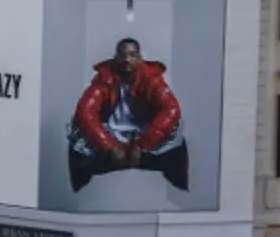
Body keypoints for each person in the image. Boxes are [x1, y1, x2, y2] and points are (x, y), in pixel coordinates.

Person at [66, 37, 189, 192]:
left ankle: (182, 193)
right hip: (110, 134)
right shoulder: (104, 78)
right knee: (76, 133)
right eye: (122, 55)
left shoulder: (151, 78)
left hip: (146, 135)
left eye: (132, 55)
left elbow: (171, 109)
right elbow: (85, 112)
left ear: (139, 58)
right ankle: (77, 193)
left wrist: (144, 143)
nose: (126, 59)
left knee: (177, 135)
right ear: (115, 57)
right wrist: (109, 145)